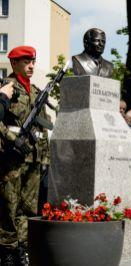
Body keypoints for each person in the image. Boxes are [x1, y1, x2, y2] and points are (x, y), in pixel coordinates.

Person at [0, 46, 51, 265]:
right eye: (26, 62)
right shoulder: (6, 88)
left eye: (33, 61)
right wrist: (14, 141)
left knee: (27, 208)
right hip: (11, 158)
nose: (31, 66)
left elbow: (43, 129)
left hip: (33, 158)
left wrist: (46, 158)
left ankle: (21, 248)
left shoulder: (37, 92)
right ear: (14, 64)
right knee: (8, 207)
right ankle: (7, 252)